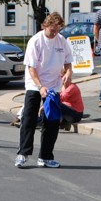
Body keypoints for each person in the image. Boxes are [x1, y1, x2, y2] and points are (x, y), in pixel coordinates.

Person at [15, 12, 73, 169]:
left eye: (58, 30)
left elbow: (68, 62)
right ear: (45, 26)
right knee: (29, 117)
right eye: (52, 30)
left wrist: (68, 73)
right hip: (35, 85)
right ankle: (23, 154)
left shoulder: (62, 41)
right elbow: (32, 68)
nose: (55, 33)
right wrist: (40, 87)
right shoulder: (36, 41)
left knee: (52, 121)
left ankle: (46, 157)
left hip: (53, 85)